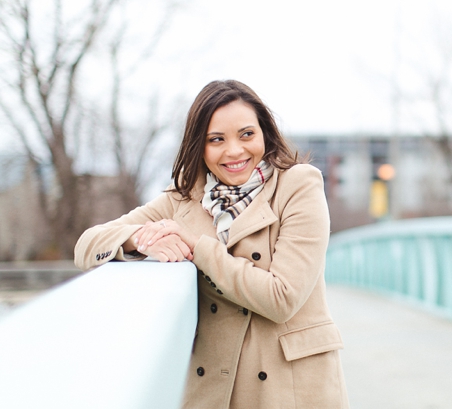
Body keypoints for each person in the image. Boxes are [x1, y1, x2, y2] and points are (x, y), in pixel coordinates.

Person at [74, 80, 349, 409]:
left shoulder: (297, 185)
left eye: (246, 134)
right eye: (216, 139)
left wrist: (198, 247)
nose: (234, 151)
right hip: (217, 385)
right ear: (199, 147)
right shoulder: (183, 197)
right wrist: (140, 239)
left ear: (265, 134)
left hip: (289, 385)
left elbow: (282, 298)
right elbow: (86, 247)